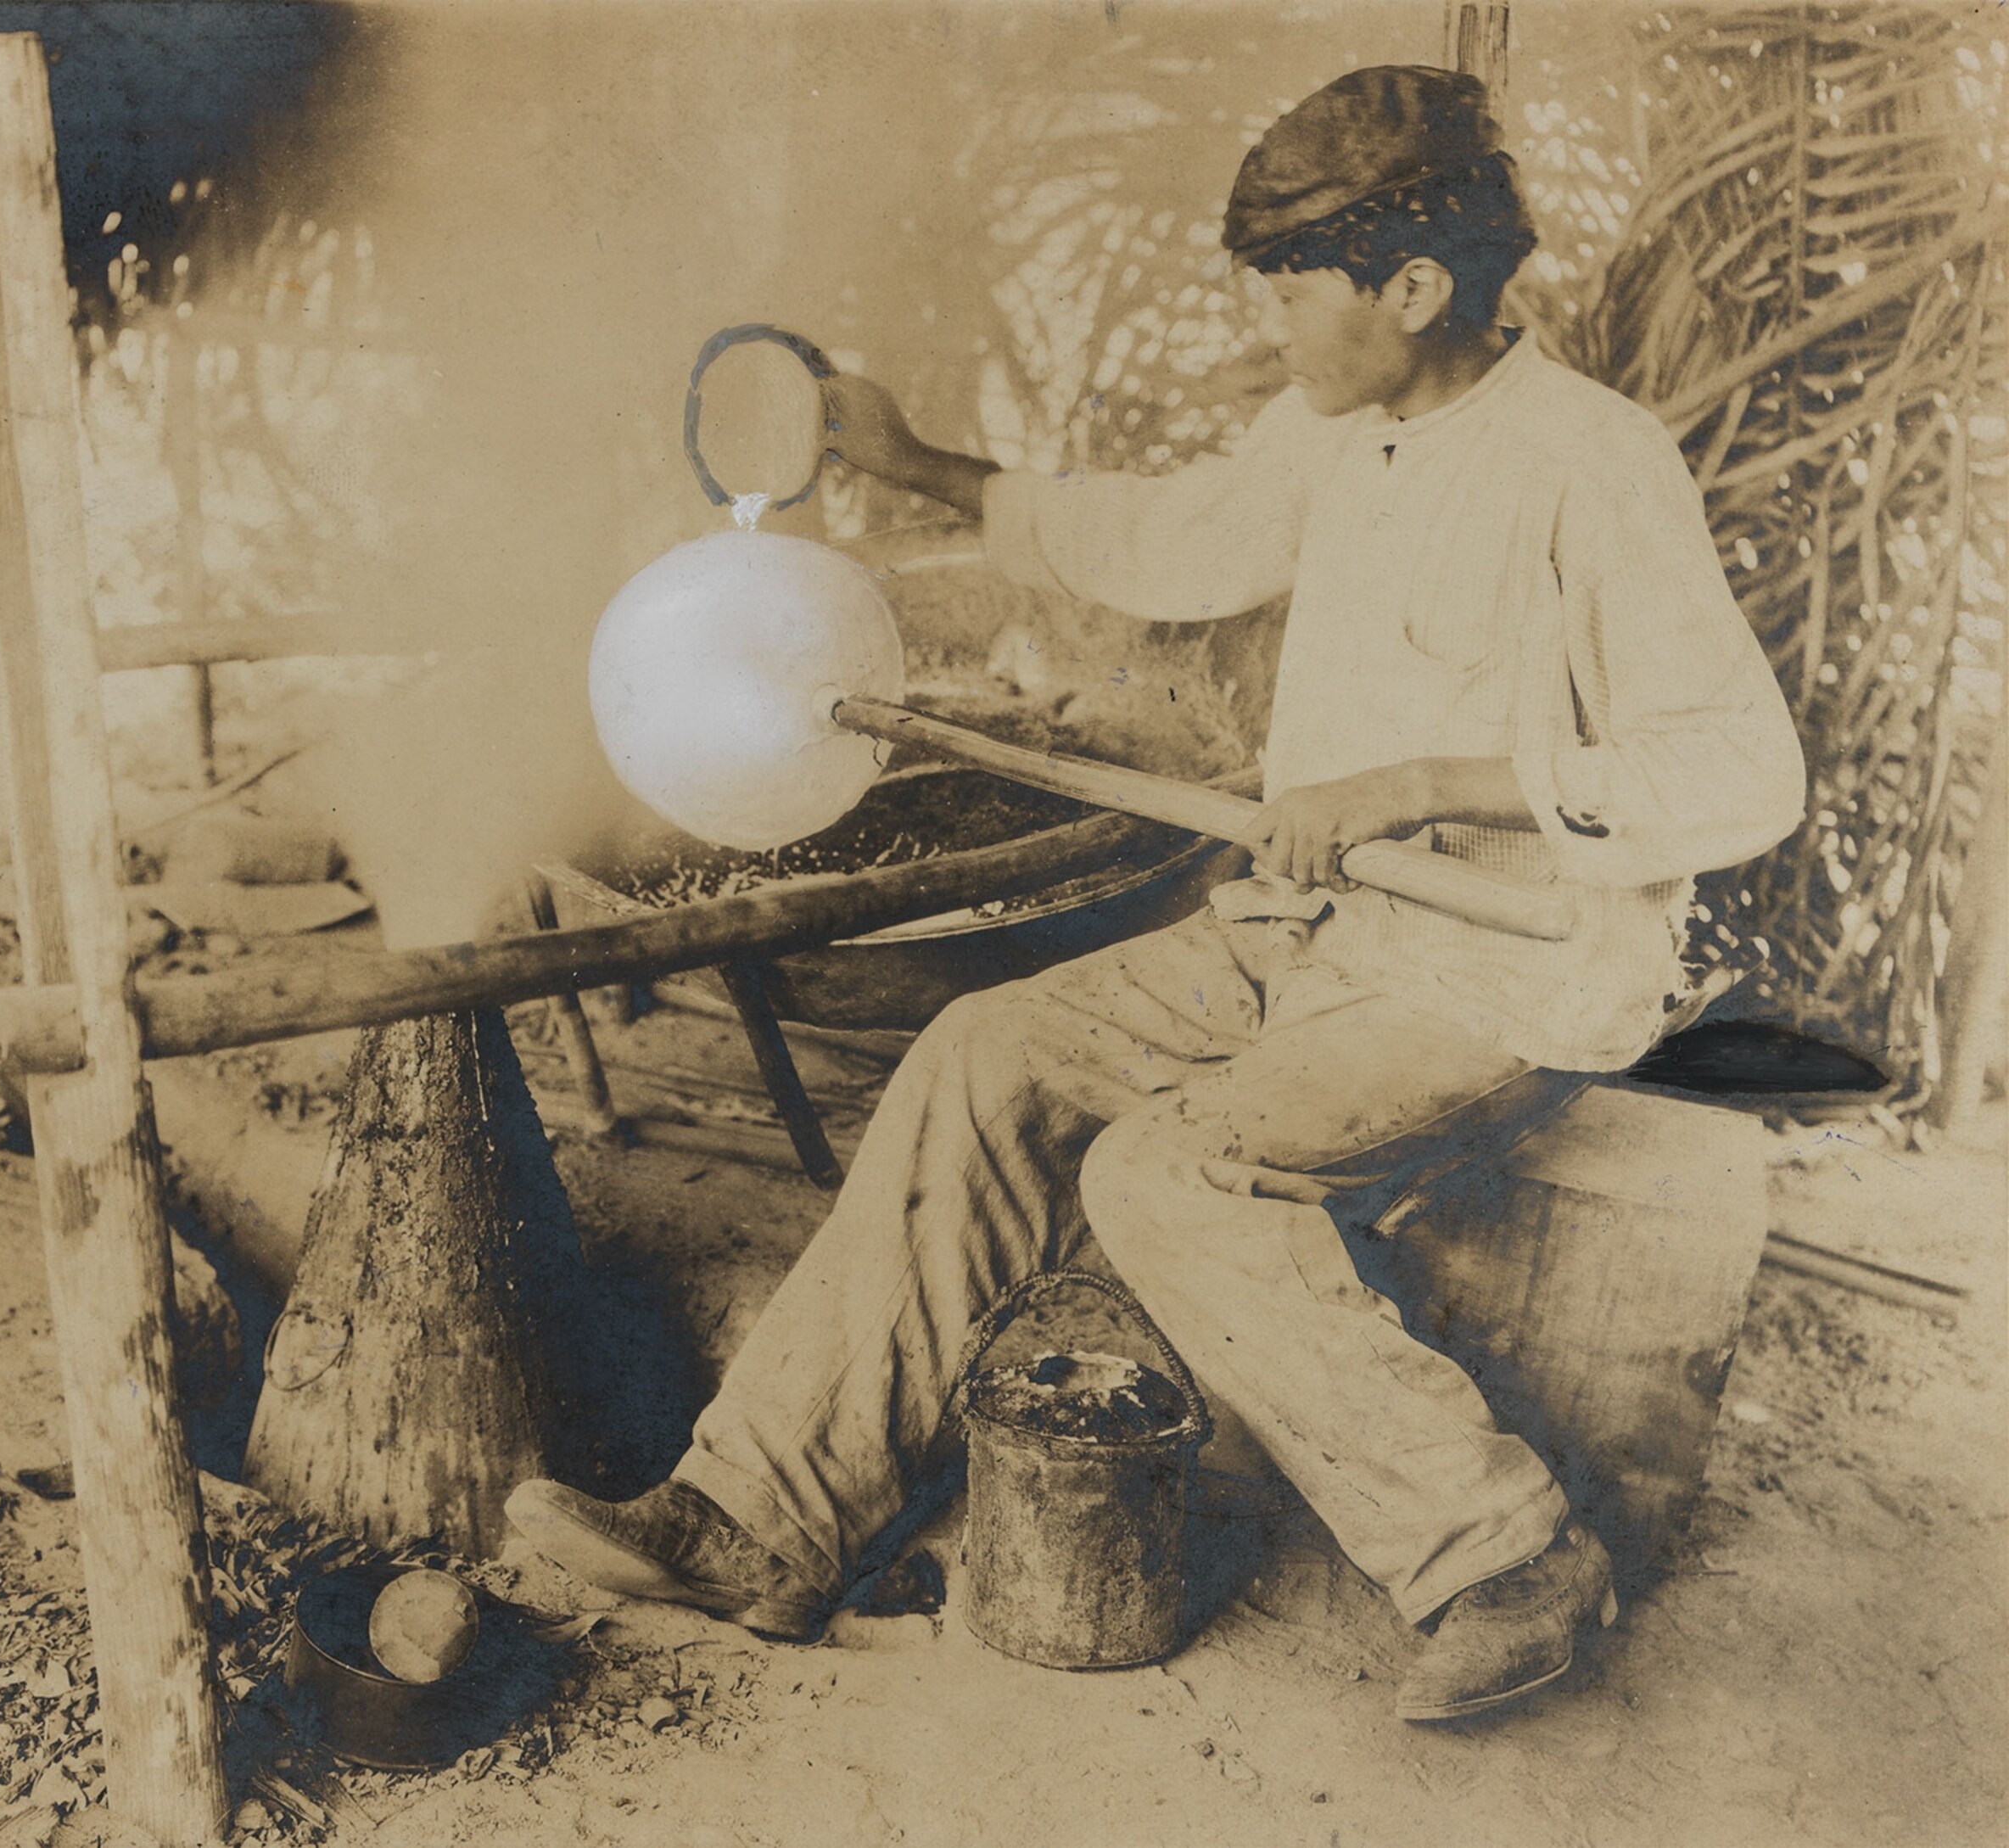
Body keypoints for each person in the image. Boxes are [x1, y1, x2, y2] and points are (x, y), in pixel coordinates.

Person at [508, 64, 1806, 1723]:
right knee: (989, 1053)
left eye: (1291, 288)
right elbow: (1175, 540)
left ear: (1412, 287)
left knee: (1172, 1178)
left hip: (1502, 980)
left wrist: (1432, 785)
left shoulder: (1589, 465)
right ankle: (760, 1516)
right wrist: (930, 470)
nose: (1269, 326)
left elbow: (1742, 776)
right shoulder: (1337, 427)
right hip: (1304, 940)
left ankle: (1502, 1556)